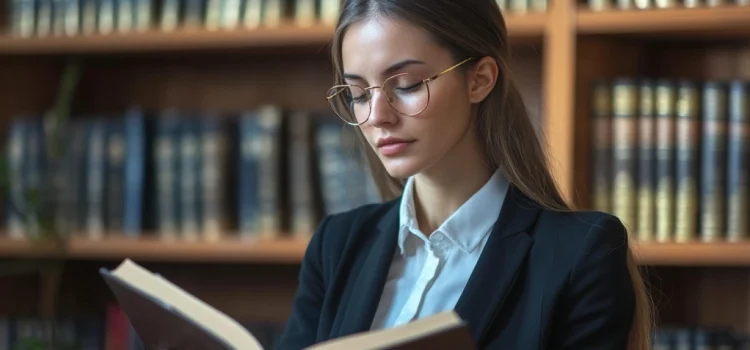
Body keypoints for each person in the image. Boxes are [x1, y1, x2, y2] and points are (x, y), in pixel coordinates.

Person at [276, 0, 653, 349]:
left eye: (406, 85)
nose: (377, 116)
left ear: (480, 79)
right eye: (358, 94)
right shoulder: (337, 246)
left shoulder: (581, 253)